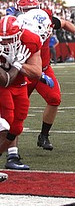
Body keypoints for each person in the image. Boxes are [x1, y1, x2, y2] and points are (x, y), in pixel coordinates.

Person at [4, 0, 75, 170]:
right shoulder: (13, 25)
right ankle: (12, 152)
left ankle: (43, 135)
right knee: (14, 112)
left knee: (54, 99)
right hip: (22, 70)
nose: (31, 14)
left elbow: (65, 23)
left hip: (42, 68)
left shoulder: (44, 18)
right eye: (27, 10)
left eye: (33, 10)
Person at [0, 15, 43, 170]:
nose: (5, 43)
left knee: (17, 126)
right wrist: (16, 65)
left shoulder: (30, 40)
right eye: (2, 39)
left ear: (19, 35)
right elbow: (5, 80)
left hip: (20, 84)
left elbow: (36, 72)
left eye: (10, 39)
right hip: (3, 84)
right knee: (6, 122)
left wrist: (19, 65)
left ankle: (11, 155)